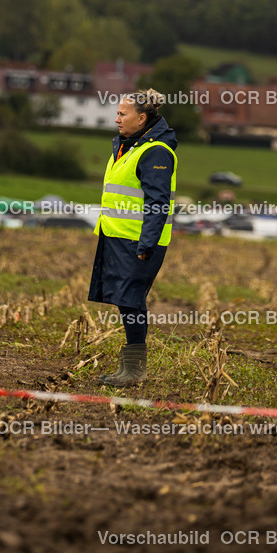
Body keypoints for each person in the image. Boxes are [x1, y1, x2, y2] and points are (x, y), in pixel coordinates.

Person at [88, 88, 178, 387]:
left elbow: (158, 202)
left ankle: (134, 370)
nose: (116, 120)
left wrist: (147, 243)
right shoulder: (128, 145)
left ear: (141, 118)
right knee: (126, 301)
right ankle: (131, 367)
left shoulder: (156, 152)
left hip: (138, 241)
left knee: (131, 300)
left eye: (122, 114)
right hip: (117, 237)